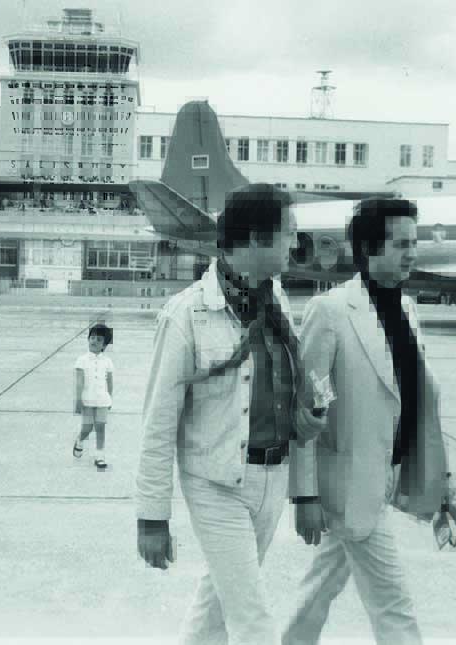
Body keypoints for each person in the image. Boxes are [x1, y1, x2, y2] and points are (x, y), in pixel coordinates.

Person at [135, 183, 324, 645]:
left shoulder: (275, 300)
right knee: (252, 621)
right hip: (216, 482)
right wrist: (152, 517)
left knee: (218, 604)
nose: (295, 245)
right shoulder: (187, 315)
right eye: (288, 233)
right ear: (258, 239)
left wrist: (305, 492)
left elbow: (294, 391)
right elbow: (158, 422)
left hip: (271, 478)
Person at [283, 198, 456, 645]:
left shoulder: (406, 309)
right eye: (400, 244)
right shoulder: (330, 312)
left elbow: (416, 405)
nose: (411, 253)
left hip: (385, 477)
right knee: (393, 604)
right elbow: (307, 408)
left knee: (321, 587)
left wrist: (442, 486)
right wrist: (305, 494)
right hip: (347, 484)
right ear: (367, 249)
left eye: (413, 243)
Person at [73, 323, 114, 470]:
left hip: (103, 399)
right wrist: (78, 400)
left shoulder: (107, 361)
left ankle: (100, 455)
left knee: (101, 427)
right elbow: (79, 382)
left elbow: (109, 381)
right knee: (87, 427)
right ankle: (79, 440)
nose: (94, 341)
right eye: (92, 337)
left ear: (104, 345)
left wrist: (110, 398)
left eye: (99, 339)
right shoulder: (81, 360)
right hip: (87, 399)